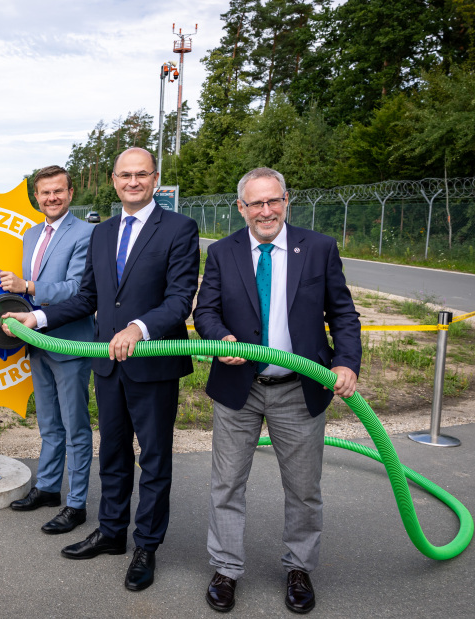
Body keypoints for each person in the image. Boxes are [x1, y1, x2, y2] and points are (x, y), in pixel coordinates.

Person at [2, 147, 200, 592]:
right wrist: (38, 318)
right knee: (112, 454)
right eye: (125, 175)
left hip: (154, 364)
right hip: (108, 364)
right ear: (114, 180)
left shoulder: (179, 228)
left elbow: (179, 298)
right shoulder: (103, 232)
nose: (133, 182)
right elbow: (88, 297)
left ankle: (146, 546)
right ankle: (111, 533)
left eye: (142, 174)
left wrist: (138, 328)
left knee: (154, 460)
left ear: (154, 179)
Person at [193, 167, 361, 614]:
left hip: (299, 388)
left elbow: (343, 313)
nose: (265, 211)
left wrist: (346, 362)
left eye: (273, 201)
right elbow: (205, 311)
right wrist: (220, 338)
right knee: (227, 484)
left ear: (287, 200)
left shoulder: (319, 248)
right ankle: (226, 569)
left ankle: (299, 567)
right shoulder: (223, 252)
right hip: (239, 389)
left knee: (303, 488)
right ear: (241, 207)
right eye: (256, 203)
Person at [0, 165, 94, 534]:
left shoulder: (86, 233)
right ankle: (49, 488)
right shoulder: (31, 234)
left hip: (69, 343)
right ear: (35, 197)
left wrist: (28, 286)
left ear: (70, 193)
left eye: (58, 191)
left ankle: (77, 504)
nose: (52, 198)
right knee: (49, 424)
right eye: (45, 192)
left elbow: (77, 289)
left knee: (75, 428)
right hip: (36, 341)